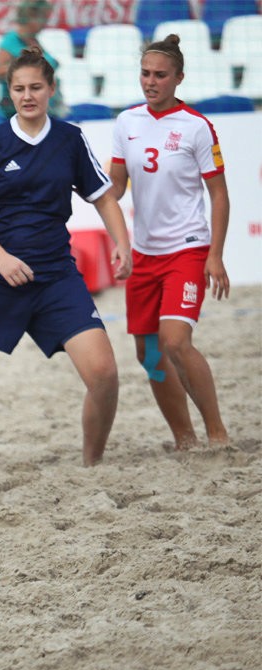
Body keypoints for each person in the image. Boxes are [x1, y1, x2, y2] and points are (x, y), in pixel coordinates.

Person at [0, 48, 132, 475]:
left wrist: (122, 243)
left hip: (55, 276)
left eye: (36, 87)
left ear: (51, 89)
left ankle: (92, 466)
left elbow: (103, 197)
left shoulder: (69, 139)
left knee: (105, 374)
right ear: (9, 92)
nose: (28, 95)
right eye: (19, 88)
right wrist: (0, 258)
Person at [109, 34, 230, 450]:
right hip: (144, 253)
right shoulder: (127, 122)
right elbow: (117, 184)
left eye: (160, 75)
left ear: (179, 78)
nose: (150, 81)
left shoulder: (197, 127)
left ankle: (218, 433)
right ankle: (185, 439)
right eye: (145, 73)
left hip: (187, 248)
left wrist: (215, 255)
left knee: (175, 342)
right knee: (149, 356)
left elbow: (219, 194)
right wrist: (94, 191)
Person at [0, 0, 63, 118]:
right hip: (17, 112)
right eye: (43, 18)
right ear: (31, 16)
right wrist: (26, 68)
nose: (45, 23)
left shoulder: (35, 40)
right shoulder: (11, 41)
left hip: (46, 111)